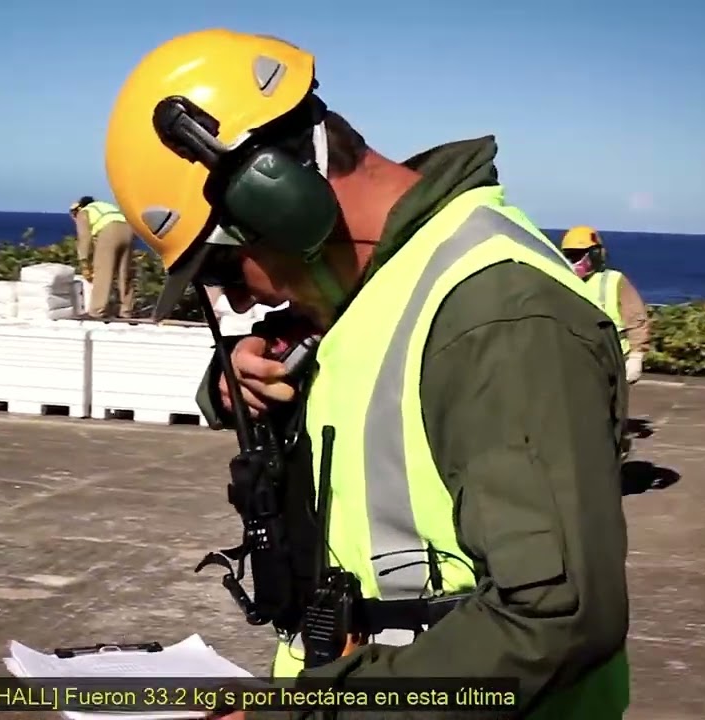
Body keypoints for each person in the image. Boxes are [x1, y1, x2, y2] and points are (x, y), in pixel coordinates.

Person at [105, 29, 631, 719]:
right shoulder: (381, 289)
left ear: (279, 199)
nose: (240, 301)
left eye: (224, 266)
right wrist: (234, 381)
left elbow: (554, 621)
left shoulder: (499, 323)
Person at [560, 226, 651, 385]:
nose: (574, 260)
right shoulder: (561, 280)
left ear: (595, 254)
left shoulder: (614, 280)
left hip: (611, 360)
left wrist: (637, 355)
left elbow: (636, 319)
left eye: (578, 255)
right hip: (574, 359)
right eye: (570, 255)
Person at [70, 195, 136, 318]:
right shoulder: (105, 207)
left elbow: (84, 239)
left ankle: (97, 311)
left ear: (79, 208)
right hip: (129, 231)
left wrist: (84, 262)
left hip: (110, 231)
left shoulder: (84, 212)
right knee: (124, 273)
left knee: (103, 272)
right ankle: (126, 311)